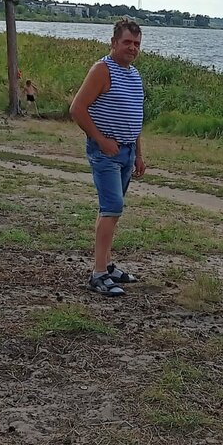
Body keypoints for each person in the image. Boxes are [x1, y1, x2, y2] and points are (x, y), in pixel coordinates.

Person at [69, 19, 146, 296]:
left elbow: (135, 117)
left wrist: (138, 154)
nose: (132, 48)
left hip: (126, 152)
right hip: (106, 153)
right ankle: (98, 274)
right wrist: (101, 140)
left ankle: (107, 265)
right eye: (127, 42)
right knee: (112, 207)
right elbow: (77, 108)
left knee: (111, 210)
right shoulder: (102, 70)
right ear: (114, 42)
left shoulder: (133, 75)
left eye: (136, 44)